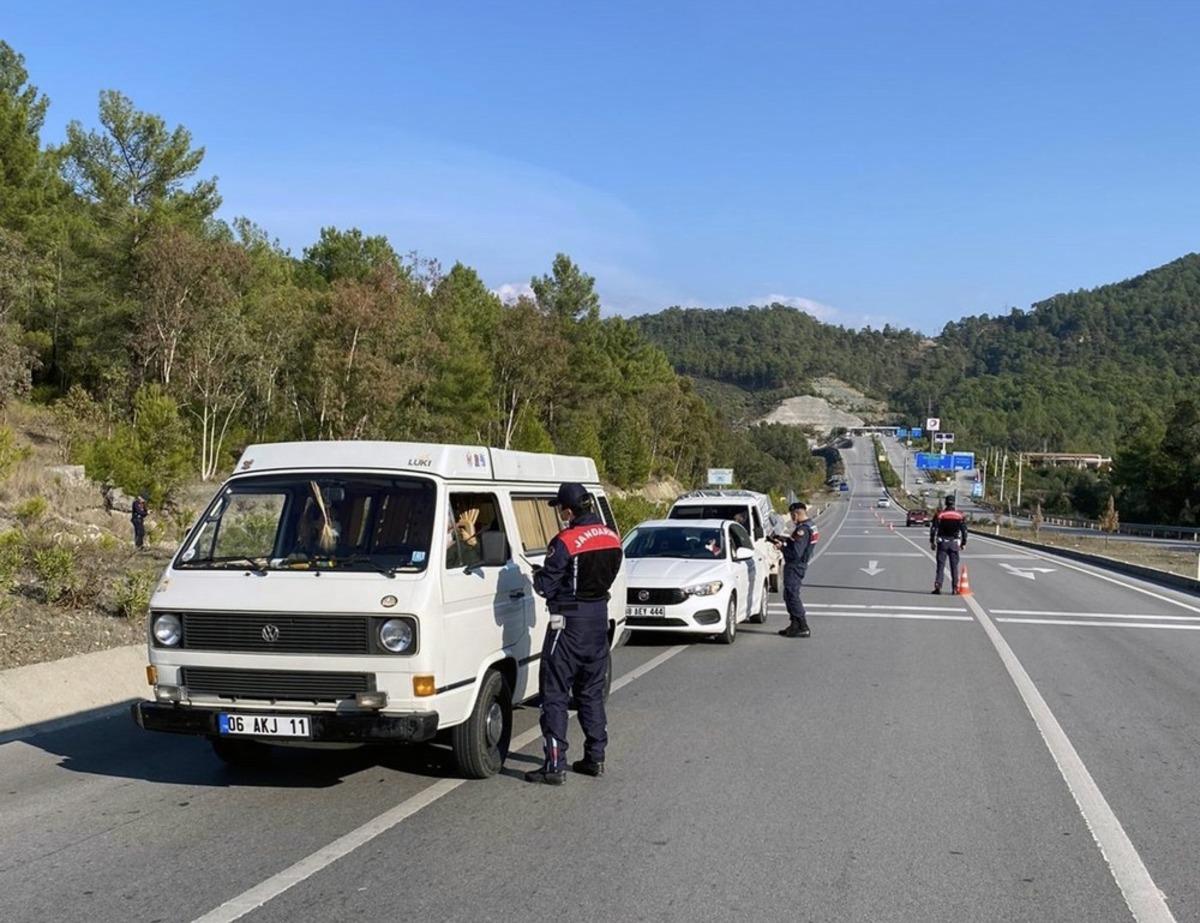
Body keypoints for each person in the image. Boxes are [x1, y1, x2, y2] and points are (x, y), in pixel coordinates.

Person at [525, 482, 623, 785]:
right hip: (598, 621)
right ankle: (596, 758)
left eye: (561, 510)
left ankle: (554, 766)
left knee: (554, 693)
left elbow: (547, 586)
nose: (561, 515)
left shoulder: (566, 540)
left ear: (569, 510)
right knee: (591, 693)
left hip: (568, 623)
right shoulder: (612, 537)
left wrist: (537, 575)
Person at [773, 501, 817, 639]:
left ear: (796, 514)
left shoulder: (802, 529)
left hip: (795, 565)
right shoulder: (810, 525)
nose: (792, 518)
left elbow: (796, 552)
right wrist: (783, 539)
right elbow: (796, 542)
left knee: (792, 595)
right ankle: (794, 625)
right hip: (798, 565)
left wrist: (782, 547)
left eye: (793, 515)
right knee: (788, 595)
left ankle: (803, 626)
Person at [930, 495, 968, 594]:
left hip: (942, 543)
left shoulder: (940, 515)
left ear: (945, 503)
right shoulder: (960, 515)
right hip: (954, 543)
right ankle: (955, 588)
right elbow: (964, 531)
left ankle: (938, 586)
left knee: (940, 565)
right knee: (954, 566)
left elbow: (933, 529)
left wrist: (932, 542)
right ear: (953, 503)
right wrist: (963, 543)